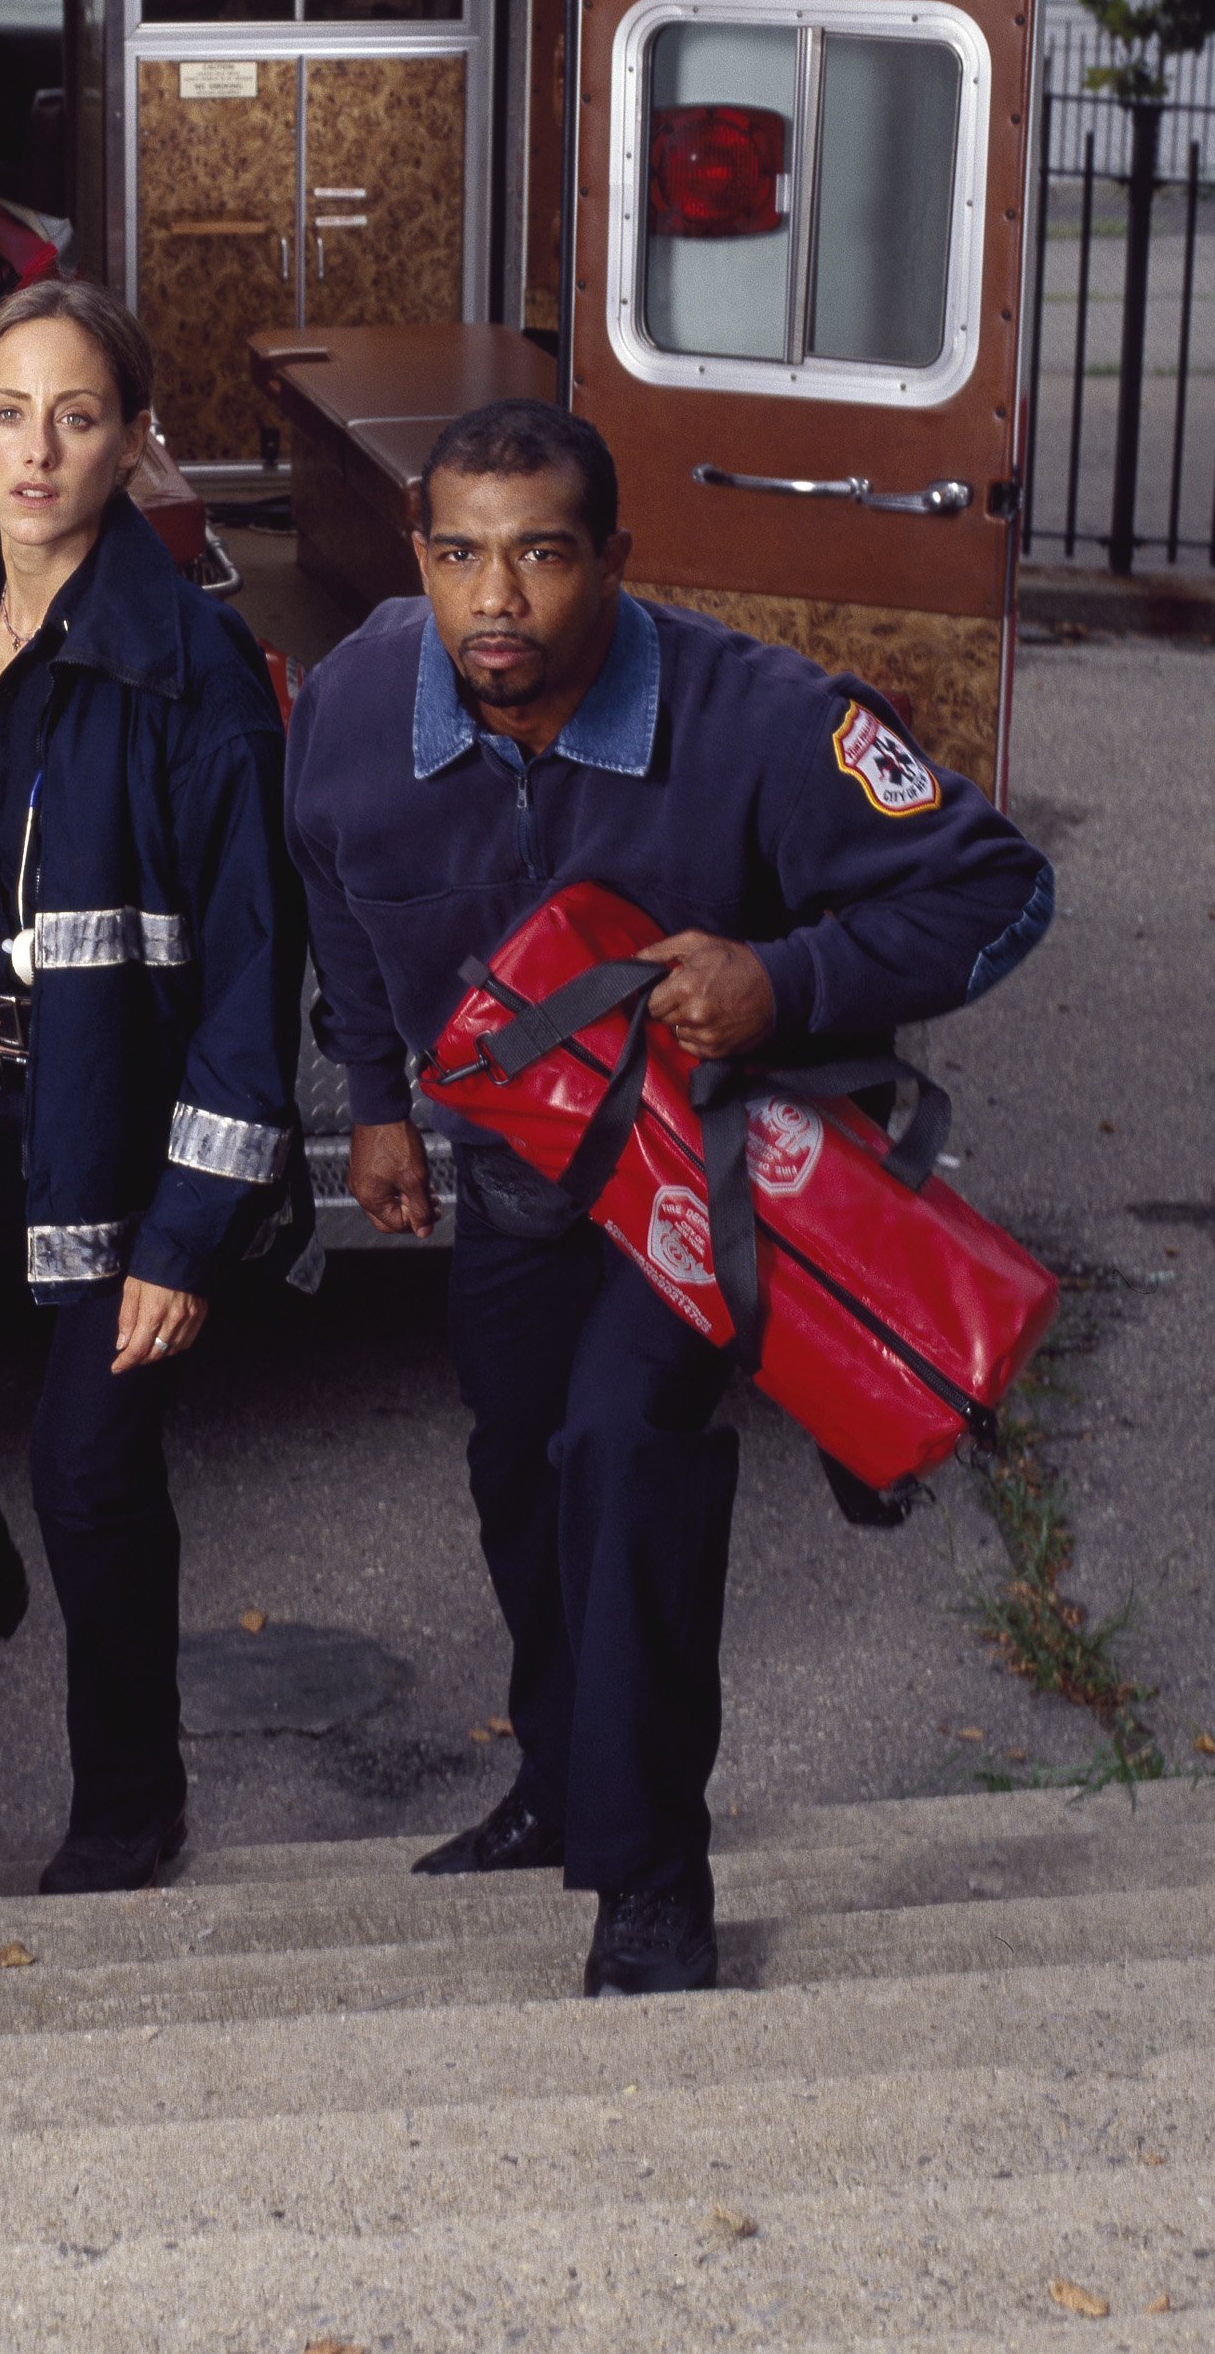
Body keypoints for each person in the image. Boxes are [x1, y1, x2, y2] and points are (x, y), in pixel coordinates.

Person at [283, 400, 1053, 1995]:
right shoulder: (359, 699)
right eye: (460, 557)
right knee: (517, 1468)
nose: (497, 601)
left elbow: (999, 887)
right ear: (420, 560)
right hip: (517, 1171)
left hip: (704, 1173)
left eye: (543, 556)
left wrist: (787, 975)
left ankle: (650, 1877)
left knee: (624, 1446)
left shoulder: (761, 719)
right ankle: (565, 1775)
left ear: (613, 562)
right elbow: (336, 890)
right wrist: (375, 1104)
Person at [0, 280, 309, 1894]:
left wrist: (183, 1236)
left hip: (117, 1127)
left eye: (78, 416)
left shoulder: (195, 675)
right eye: (9, 411)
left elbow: (249, 974)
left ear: (134, 444)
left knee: (90, 1476)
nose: (39, 448)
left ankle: (126, 1798)